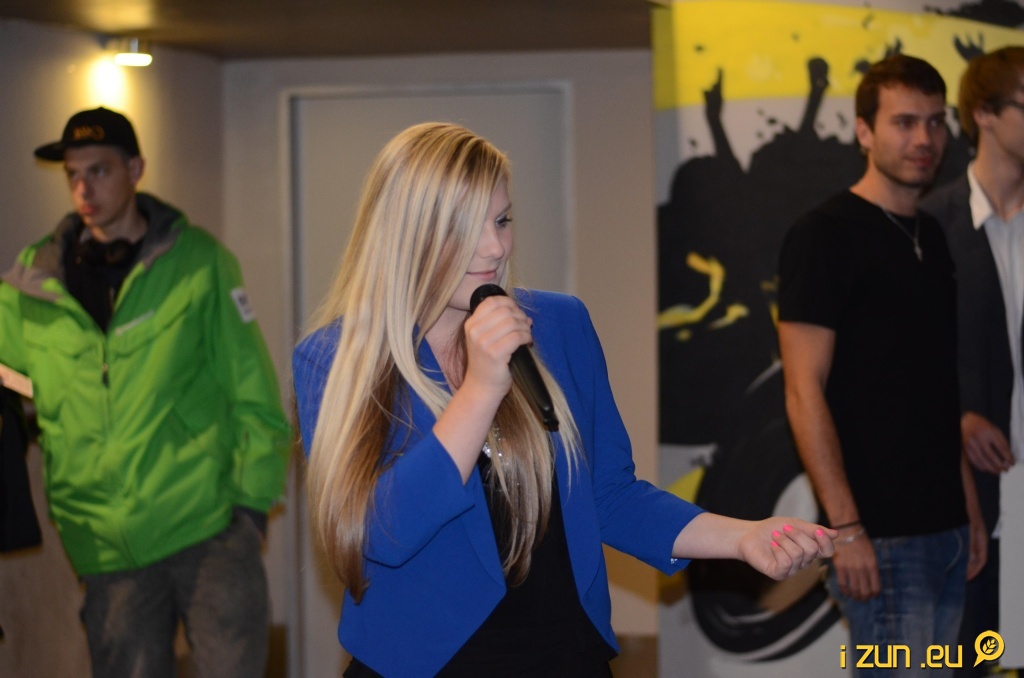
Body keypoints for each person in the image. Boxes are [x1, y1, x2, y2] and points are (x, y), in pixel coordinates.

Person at [292, 121, 837, 677]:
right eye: (464, 227)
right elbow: (379, 534)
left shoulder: (558, 323)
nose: (495, 247)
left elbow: (611, 495)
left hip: (563, 655)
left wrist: (743, 537)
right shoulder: (336, 360)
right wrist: (480, 390)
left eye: (502, 220)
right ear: (406, 233)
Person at [0, 107, 291, 677]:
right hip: (104, 546)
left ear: (135, 169)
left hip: (209, 530)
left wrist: (251, 509)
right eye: (73, 175)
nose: (84, 189)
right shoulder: (35, 282)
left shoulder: (198, 263)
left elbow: (253, 391)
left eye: (99, 171)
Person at [777, 55, 987, 676]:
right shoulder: (823, 235)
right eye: (904, 122)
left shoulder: (933, 236)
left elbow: (936, 388)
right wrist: (846, 529)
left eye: (936, 122)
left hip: (947, 530)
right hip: (879, 537)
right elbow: (803, 390)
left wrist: (969, 509)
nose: (924, 138)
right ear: (864, 131)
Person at [921, 46, 1024, 677]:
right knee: (963, 659)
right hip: (972, 497)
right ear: (984, 113)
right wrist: (956, 417)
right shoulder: (930, 225)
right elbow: (900, 362)